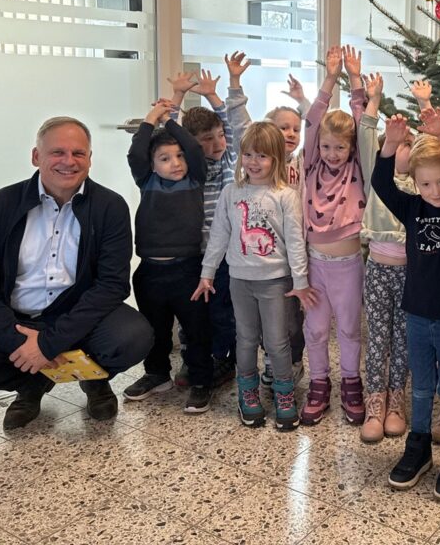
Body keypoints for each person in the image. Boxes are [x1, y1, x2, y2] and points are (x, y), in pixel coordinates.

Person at [0, 117, 152, 430]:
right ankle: (32, 382)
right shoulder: (0, 205)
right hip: (14, 317)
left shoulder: (110, 206)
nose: (69, 161)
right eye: (57, 152)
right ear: (36, 157)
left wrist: (48, 343)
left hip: (77, 316)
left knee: (133, 337)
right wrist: (21, 342)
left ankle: (94, 379)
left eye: (78, 153)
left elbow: (112, 285)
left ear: (89, 158)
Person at [372, 108, 440, 502]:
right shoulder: (412, 208)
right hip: (416, 315)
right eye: (426, 184)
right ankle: (417, 447)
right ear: (415, 184)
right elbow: (381, 181)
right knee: (419, 387)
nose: (436, 191)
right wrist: (389, 143)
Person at [194, 121, 315, 430]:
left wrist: (300, 282)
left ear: (276, 158)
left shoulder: (285, 195)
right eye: (248, 154)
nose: (253, 162)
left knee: (277, 341)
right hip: (240, 280)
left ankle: (284, 394)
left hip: (276, 282)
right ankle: (247, 393)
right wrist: (208, 273)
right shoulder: (231, 192)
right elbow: (219, 234)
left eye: (262, 155)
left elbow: (295, 241)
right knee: (245, 339)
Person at [223, 53, 311, 389]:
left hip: (292, 256)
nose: (290, 133)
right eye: (283, 127)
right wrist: (235, 83)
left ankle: (290, 362)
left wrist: (304, 101)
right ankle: (270, 360)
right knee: (261, 321)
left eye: (295, 128)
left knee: (289, 320)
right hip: (260, 261)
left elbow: (319, 128)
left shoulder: (303, 163)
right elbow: (240, 125)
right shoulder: (257, 162)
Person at [122, 99, 212, 414]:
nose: (175, 163)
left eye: (179, 156)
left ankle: (201, 380)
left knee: (196, 330)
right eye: (164, 158)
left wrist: (171, 121)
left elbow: (195, 149)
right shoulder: (147, 182)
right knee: (154, 329)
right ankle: (157, 374)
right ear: (152, 164)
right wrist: (152, 118)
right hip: (150, 272)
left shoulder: (195, 179)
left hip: (187, 270)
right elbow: (135, 153)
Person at [299, 46, 368, 426]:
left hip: (348, 266)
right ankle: (319, 383)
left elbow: (363, 123)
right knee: (315, 328)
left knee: (348, 328)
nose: (332, 153)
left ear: (351, 148)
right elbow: (312, 120)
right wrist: (330, 77)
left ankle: (351, 382)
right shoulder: (311, 164)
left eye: (340, 147)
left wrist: (355, 78)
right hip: (315, 266)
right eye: (326, 146)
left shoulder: (357, 166)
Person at [357, 74, 421, 443]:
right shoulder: (377, 179)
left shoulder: (422, 187)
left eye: (408, 144)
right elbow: (367, 136)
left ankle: (396, 401)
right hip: (378, 270)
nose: (402, 149)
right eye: (396, 144)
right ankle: (375, 402)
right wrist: (374, 100)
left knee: (403, 340)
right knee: (378, 338)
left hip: (411, 275)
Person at [169, 69, 237, 390]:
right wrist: (177, 96)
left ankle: (222, 358)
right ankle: (192, 356)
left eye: (218, 135)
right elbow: (169, 135)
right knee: (192, 311)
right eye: (206, 140)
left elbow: (233, 128)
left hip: (224, 256)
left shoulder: (229, 160)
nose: (217, 143)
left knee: (222, 311)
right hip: (193, 254)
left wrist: (213, 96)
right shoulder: (185, 168)